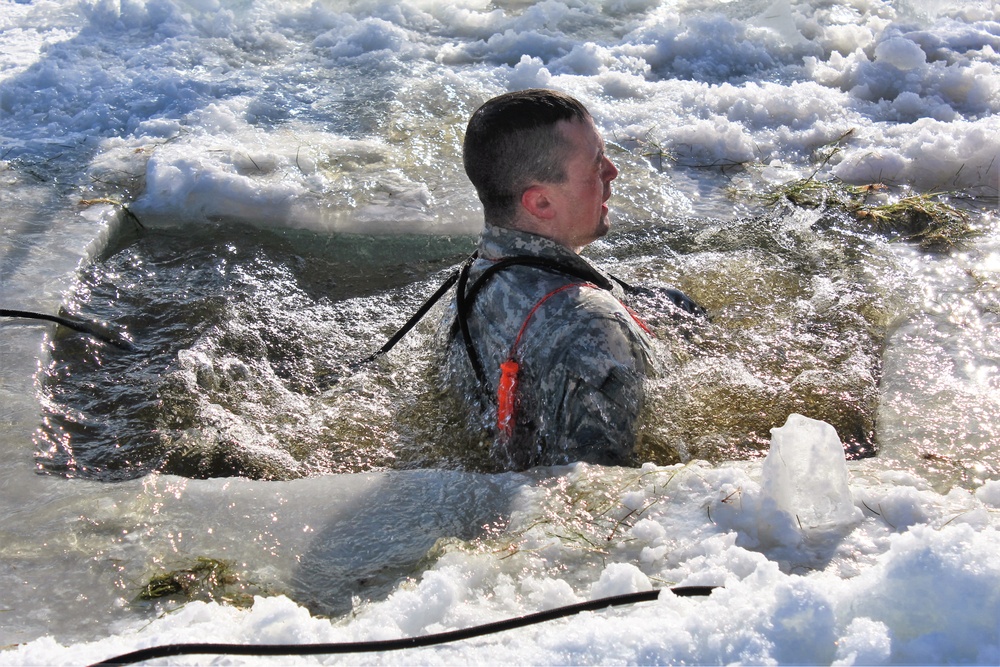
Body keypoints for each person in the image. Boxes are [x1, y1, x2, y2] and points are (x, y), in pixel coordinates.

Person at [441, 88, 663, 471]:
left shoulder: (470, 281)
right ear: (540, 203)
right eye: (596, 165)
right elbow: (601, 491)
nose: (613, 172)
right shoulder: (591, 325)